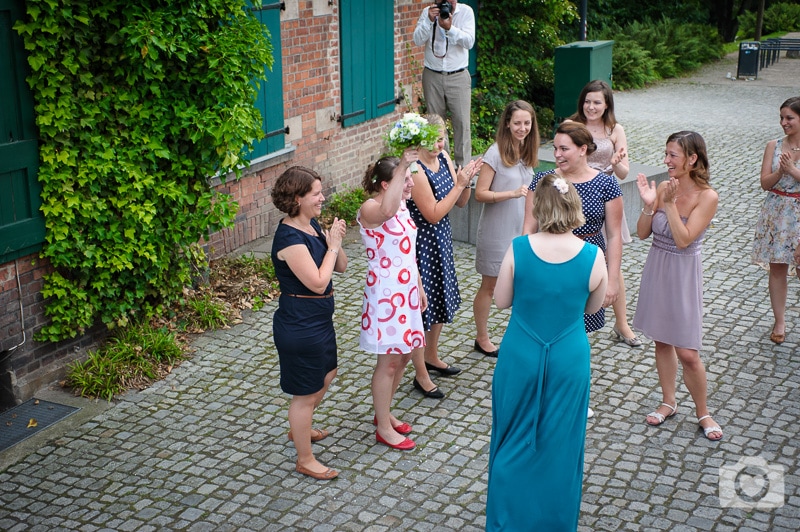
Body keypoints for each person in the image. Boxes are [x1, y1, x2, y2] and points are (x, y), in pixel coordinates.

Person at [486, 173, 608, 530]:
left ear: (539, 207)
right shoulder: (592, 255)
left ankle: (507, 519)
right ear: (574, 208)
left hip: (521, 354)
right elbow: (592, 308)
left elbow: (501, 301)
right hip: (569, 358)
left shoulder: (519, 248)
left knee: (510, 435)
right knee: (562, 446)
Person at [634, 131, 723, 442]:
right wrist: (649, 204)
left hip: (683, 274)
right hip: (657, 268)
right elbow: (643, 233)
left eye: (673, 155)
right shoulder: (663, 187)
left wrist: (669, 205)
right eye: (666, 153)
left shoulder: (706, 196)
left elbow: (685, 240)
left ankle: (703, 411)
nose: (666, 160)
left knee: (687, 352)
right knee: (662, 340)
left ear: (692, 159)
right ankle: (668, 401)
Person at [270, 166, 348, 480]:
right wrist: (330, 247)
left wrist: (336, 241)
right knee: (305, 393)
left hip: (318, 320)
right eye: (316, 193)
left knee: (328, 373)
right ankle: (304, 458)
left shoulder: (312, 225)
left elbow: (339, 267)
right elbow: (317, 282)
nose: (322, 197)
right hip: (299, 325)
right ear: (298, 198)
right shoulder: (289, 239)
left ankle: (299, 428)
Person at [406, 114, 483, 399]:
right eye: (432, 139)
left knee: (439, 300)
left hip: (441, 242)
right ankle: (420, 374)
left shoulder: (445, 159)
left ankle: (431, 356)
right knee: (421, 310)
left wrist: (466, 181)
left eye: (442, 138)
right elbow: (434, 213)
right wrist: (459, 185)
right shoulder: (415, 170)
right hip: (421, 244)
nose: (439, 144)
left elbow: (460, 202)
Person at [358, 150, 428, 451]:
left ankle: (383, 411)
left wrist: (420, 287)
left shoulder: (401, 206)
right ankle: (383, 427)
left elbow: (408, 253)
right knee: (388, 362)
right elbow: (384, 215)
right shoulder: (371, 208)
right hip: (386, 296)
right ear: (386, 185)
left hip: (407, 292)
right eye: (405, 178)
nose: (411, 184)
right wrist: (402, 164)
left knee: (405, 355)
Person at [523, 121, 623, 331]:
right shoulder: (543, 180)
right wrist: (526, 268)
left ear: (583, 149)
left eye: (564, 149)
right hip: (548, 260)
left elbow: (614, 236)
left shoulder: (606, 184)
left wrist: (612, 280)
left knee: (578, 329)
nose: (557, 154)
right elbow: (528, 228)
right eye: (555, 148)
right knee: (545, 323)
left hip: (586, 264)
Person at [565, 79, 642, 347]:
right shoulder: (572, 125)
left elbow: (623, 172)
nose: (591, 106)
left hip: (606, 199)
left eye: (597, 101)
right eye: (587, 101)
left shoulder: (615, 129)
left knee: (613, 262)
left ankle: (621, 323)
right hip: (575, 200)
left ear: (607, 103)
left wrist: (615, 163)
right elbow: (562, 161)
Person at [472, 100, 539, 357]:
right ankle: (482, 337)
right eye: (517, 123)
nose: (522, 128)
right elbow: (480, 194)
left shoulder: (527, 151)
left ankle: (521, 334)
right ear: (507, 124)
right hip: (497, 229)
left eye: (527, 123)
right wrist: (510, 193)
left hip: (522, 228)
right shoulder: (495, 153)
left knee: (524, 284)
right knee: (490, 285)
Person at [752, 96, 800, 345]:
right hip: (777, 212)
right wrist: (780, 171)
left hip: (799, 213)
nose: (783, 122)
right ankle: (779, 321)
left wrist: (793, 171)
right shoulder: (774, 145)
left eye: (789, 118)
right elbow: (764, 183)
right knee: (778, 268)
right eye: (781, 117)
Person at [412, 1, 475, 169]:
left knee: (462, 123)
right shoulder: (427, 13)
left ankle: (463, 170)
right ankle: (442, 166)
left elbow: (469, 42)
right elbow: (417, 40)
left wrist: (449, 28)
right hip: (432, 75)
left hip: (458, 75)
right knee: (435, 124)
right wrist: (428, 21)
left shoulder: (466, 12)